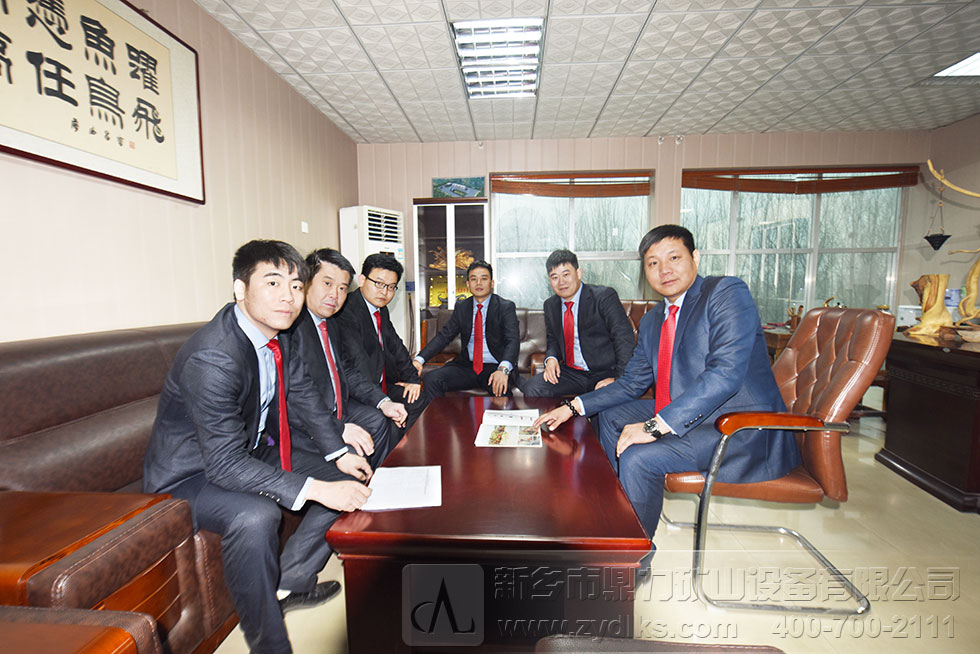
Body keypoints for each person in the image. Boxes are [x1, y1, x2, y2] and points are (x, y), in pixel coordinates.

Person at [143, 240, 374, 654]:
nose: (288, 296)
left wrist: (338, 453)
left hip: (246, 451)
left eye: (296, 285)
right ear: (240, 288)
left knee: (347, 480)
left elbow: (301, 393)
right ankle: (270, 644)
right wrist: (318, 489)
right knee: (256, 515)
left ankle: (291, 582)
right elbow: (224, 464)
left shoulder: (278, 333)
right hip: (191, 474)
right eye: (273, 283)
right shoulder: (214, 357)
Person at [534, 225, 801, 543]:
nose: (664, 270)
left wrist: (654, 427)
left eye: (674, 257)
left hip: (738, 428)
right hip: (688, 413)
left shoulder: (725, 293)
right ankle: (619, 503)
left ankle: (634, 554)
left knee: (638, 457)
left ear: (695, 258)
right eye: (653, 263)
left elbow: (725, 374)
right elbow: (631, 383)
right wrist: (572, 407)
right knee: (610, 413)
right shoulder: (652, 320)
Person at [285, 248, 408, 469]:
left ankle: (376, 479)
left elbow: (347, 371)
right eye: (327, 283)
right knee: (356, 447)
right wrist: (337, 428)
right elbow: (296, 396)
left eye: (342, 288)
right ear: (306, 282)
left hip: (337, 405)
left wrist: (384, 402)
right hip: (305, 419)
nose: (335, 294)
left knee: (378, 420)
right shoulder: (290, 327)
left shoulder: (330, 322)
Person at [334, 253, 428, 437]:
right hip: (359, 390)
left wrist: (412, 381)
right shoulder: (347, 310)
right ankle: (396, 446)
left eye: (391, 287)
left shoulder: (380, 310)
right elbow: (358, 361)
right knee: (383, 420)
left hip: (381, 383)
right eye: (379, 284)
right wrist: (381, 399)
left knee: (417, 399)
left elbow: (397, 347)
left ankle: (405, 446)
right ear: (362, 280)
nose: (384, 292)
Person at [521, 249, 635, 397]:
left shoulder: (603, 297)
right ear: (549, 281)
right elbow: (553, 339)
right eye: (554, 277)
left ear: (578, 273)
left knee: (604, 399)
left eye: (566, 274)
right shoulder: (551, 305)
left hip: (604, 372)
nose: (561, 282)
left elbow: (623, 338)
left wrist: (619, 379)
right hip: (572, 373)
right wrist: (551, 358)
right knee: (532, 388)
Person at [413, 260, 520, 397]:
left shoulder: (505, 307)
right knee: (432, 380)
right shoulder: (462, 307)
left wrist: (503, 369)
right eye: (474, 279)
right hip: (467, 366)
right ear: (468, 284)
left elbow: (512, 340)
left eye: (484, 278)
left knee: (501, 390)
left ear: (492, 283)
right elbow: (444, 336)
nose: (479, 283)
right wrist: (419, 360)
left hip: (495, 366)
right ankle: (440, 412)